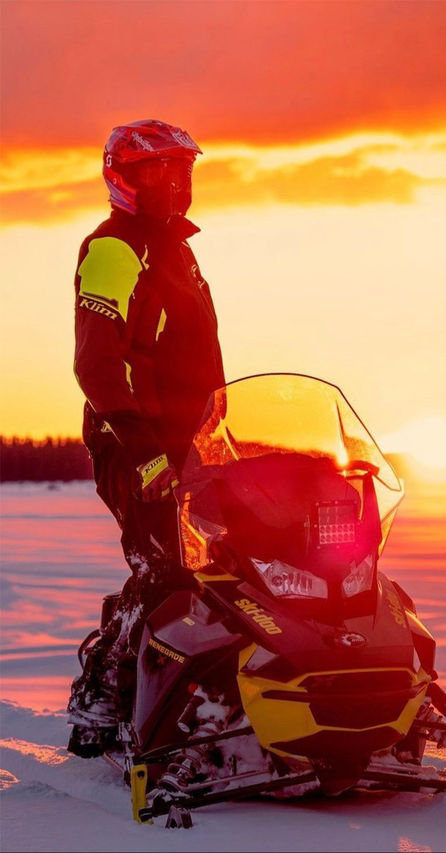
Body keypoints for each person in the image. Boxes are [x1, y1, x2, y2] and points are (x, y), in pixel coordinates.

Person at [67, 119, 225, 757]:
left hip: (194, 439)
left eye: (178, 169)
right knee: (163, 569)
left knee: (219, 571)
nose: (170, 181)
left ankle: (211, 692)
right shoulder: (114, 247)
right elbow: (97, 363)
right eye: (154, 169)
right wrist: (144, 447)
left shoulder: (179, 252)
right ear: (122, 177)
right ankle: (101, 695)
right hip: (131, 437)